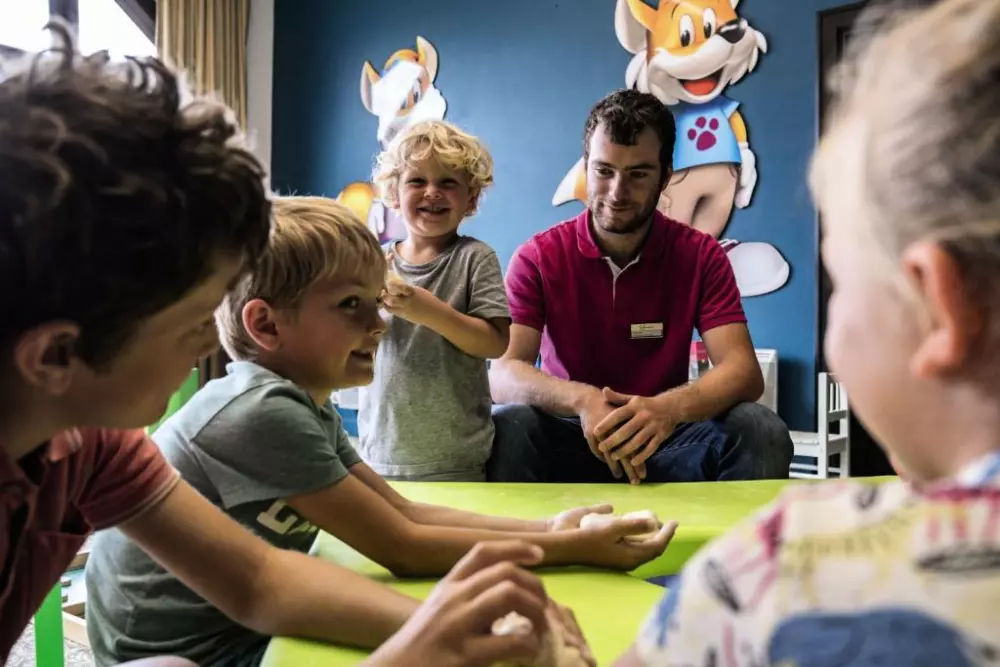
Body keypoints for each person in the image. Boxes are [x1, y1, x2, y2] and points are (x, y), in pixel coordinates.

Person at [0, 23, 576, 667]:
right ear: (53, 356)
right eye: (191, 321)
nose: (209, 348)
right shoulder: (240, 408)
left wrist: (466, 630)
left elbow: (258, 582)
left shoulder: (95, 443)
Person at [85, 196, 673, 666]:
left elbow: (403, 512)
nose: (380, 323)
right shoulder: (257, 410)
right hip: (179, 652)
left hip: (237, 624)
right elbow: (401, 547)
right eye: (350, 305)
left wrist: (549, 527)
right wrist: (569, 548)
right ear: (266, 323)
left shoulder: (303, 405)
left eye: (376, 301)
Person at [616, 0, 1000, 663]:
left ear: (940, 307)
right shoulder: (546, 253)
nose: (619, 188)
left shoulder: (782, 571)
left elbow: (739, 371)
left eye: (841, 279)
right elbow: (513, 368)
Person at [488, 89, 793, 485]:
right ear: (586, 168)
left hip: (664, 439)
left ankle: (736, 550)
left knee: (760, 429)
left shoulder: (701, 255)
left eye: (638, 174)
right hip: (569, 432)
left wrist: (666, 410)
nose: (617, 192)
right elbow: (504, 372)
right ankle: (522, 549)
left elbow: (743, 372)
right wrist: (584, 401)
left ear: (665, 176)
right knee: (510, 424)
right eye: (603, 171)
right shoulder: (538, 256)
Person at [357, 120, 509, 481]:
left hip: (456, 457)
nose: (432, 192)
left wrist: (426, 310)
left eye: (447, 182)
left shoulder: (475, 258)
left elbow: (495, 342)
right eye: (417, 181)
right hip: (382, 452)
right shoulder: (373, 262)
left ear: (470, 198)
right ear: (393, 193)